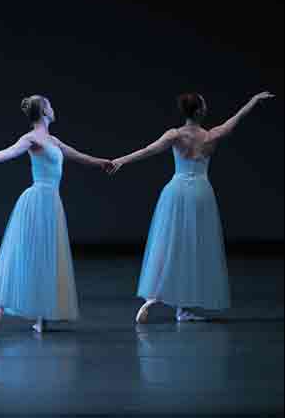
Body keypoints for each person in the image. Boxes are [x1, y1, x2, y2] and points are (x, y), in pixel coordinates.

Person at [112, 91, 274, 323]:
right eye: (204, 104)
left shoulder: (175, 135)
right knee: (192, 247)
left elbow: (148, 150)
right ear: (199, 111)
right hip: (200, 193)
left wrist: (120, 160)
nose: (207, 107)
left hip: (176, 191)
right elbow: (236, 119)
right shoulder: (210, 136)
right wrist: (253, 101)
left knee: (169, 243)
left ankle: (156, 299)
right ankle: (181, 308)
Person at [0, 95, 114, 334]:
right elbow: (6, 153)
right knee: (22, 252)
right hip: (36, 201)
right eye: (50, 105)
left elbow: (78, 156)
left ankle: (40, 313)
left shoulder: (53, 141)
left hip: (52, 202)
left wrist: (101, 163)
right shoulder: (31, 138)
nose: (53, 109)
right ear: (45, 111)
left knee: (45, 255)